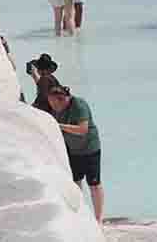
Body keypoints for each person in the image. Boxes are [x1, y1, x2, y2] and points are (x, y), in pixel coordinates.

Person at [48, 85, 104, 224]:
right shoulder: (57, 109)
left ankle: (99, 219)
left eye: (54, 103)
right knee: (75, 182)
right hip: (73, 150)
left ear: (63, 100)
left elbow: (82, 129)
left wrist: (58, 126)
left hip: (89, 148)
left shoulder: (79, 105)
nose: (53, 107)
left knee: (94, 183)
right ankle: (80, 216)